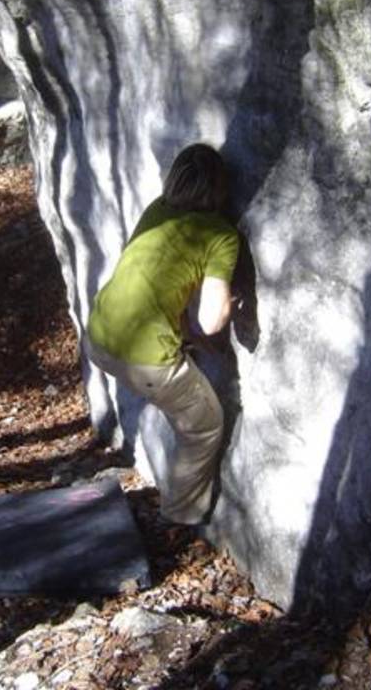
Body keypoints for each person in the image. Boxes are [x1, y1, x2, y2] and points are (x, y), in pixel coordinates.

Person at [86, 143, 240, 525]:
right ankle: (181, 517)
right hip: (144, 359)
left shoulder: (157, 209)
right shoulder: (221, 235)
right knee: (204, 425)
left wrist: (188, 334)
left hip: (98, 336)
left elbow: (154, 281)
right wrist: (230, 306)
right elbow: (212, 321)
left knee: (178, 396)